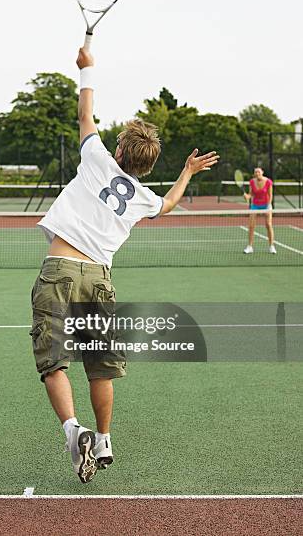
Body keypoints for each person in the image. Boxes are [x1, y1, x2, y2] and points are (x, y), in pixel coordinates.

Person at [30, 46, 219, 483]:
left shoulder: (95, 157)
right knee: (100, 366)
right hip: (99, 279)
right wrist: (188, 170)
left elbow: (85, 115)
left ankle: (72, 430)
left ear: (118, 150)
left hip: (59, 270)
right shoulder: (144, 198)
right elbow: (170, 203)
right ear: (148, 165)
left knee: (54, 363)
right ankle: (104, 437)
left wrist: (87, 68)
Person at [243, 167, 276, 254]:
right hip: (255, 205)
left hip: (266, 204)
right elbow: (251, 194)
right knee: (251, 226)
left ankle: (271, 246)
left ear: (262, 172)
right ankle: (250, 247)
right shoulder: (252, 182)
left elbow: (270, 194)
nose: (257, 173)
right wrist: (247, 196)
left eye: (258, 172)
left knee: (268, 224)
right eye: (255, 172)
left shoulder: (268, 181)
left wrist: (269, 206)